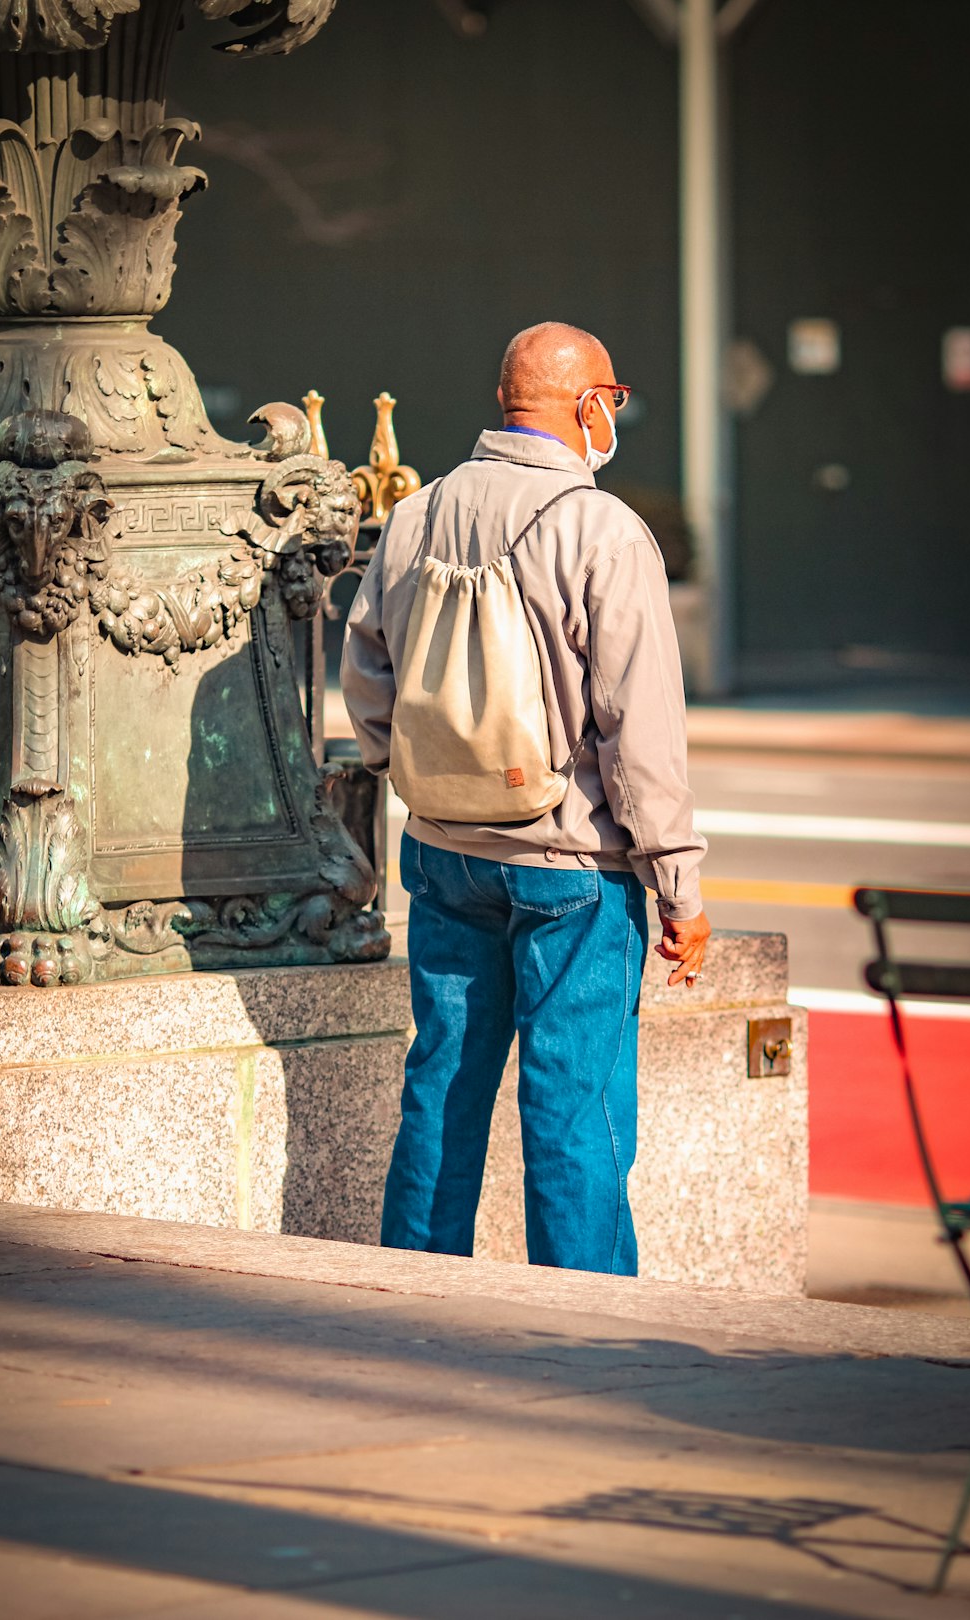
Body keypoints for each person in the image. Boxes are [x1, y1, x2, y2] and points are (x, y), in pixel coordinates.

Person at [340, 321, 710, 1276]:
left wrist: (418, 773)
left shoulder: (416, 514)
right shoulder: (602, 529)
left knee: (442, 1088)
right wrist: (678, 886)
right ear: (587, 406)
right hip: (572, 869)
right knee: (571, 1108)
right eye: (613, 401)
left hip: (445, 851)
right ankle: (583, 1333)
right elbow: (641, 728)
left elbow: (367, 670)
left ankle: (410, 1300)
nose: (614, 417)